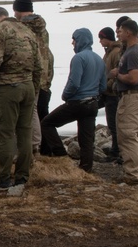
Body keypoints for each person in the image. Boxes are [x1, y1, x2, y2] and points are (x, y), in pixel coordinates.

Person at [0, 6, 42, 192]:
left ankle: (4, 178)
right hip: (28, 86)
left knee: (5, 132)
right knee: (24, 132)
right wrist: (34, 85)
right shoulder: (27, 30)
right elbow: (38, 64)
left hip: (9, 87)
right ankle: (22, 176)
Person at [39, 28, 106, 173]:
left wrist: (65, 95)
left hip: (77, 102)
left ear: (80, 40)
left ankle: (61, 155)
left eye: (74, 40)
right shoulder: (99, 59)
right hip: (92, 103)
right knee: (87, 139)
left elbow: (74, 83)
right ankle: (86, 168)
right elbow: (103, 85)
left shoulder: (79, 58)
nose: (72, 43)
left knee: (47, 123)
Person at [12, 0, 53, 155]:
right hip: (43, 76)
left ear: (17, 10)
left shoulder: (23, 29)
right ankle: (42, 148)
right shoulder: (43, 29)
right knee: (39, 112)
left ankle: (33, 146)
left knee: (30, 111)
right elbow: (47, 54)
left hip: (29, 75)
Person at [111, 19, 138, 184]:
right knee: (137, 135)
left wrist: (117, 74)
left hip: (132, 97)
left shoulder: (133, 52)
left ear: (128, 32)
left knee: (128, 135)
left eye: (120, 30)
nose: (118, 33)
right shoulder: (136, 50)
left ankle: (132, 176)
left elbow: (134, 78)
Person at [98, 27, 122, 161]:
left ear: (108, 38)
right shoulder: (109, 52)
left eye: (102, 38)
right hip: (107, 93)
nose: (100, 41)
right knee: (112, 122)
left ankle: (116, 151)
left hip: (112, 94)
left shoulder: (115, 52)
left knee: (113, 124)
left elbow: (115, 73)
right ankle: (116, 149)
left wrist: (106, 86)